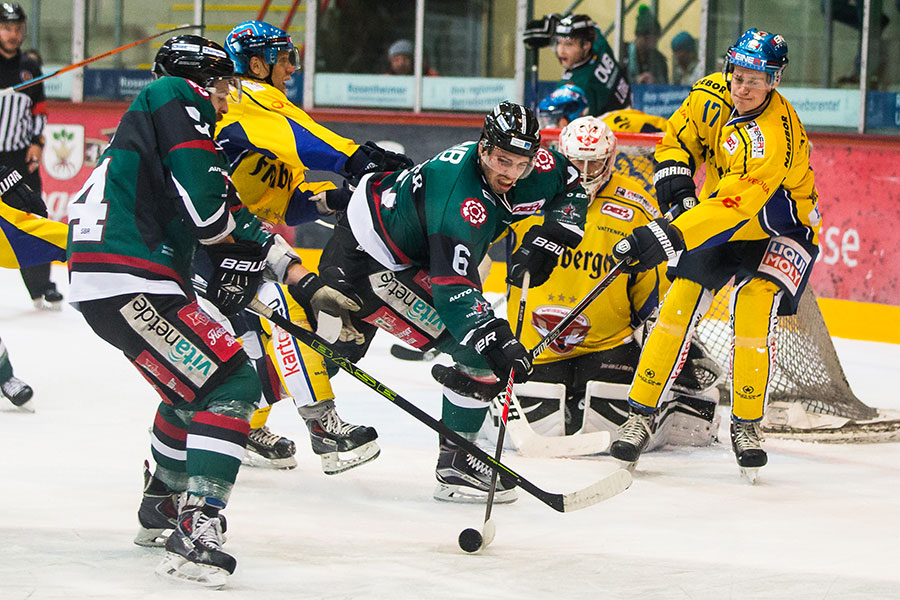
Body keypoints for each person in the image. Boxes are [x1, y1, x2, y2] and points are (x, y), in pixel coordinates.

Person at [66, 35, 361, 586]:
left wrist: (302, 278)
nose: (229, 96)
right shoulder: (175, 96)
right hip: (132, 272)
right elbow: (212, 220)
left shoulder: (170, 123)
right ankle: (197, 523)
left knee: (189, 387)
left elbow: (231, 215)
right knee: (232, 384)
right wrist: (251, 263)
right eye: (223, 84)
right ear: (200, 80)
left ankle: (161, 502)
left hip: (120, 272)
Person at [317, 101, 588, 503]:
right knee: (471, 348)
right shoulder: (458, 202)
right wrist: (496, 339)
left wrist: (555, 238)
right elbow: (453, 288)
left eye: (521, 164)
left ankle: (457, 456)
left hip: (411, 248)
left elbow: (571, 185)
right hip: (366, 262)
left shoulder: (535, 166)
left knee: (339, 350)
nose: (510, 174)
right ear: (483, 148)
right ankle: (457, 463)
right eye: (501, 160)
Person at [608, 29, 819, 482]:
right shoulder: (710, 93)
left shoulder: (774, 137)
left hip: (780, 226)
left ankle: (747, 425)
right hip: (719, 218)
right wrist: (678, 181)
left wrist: (668, 234)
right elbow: (678, 137)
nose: (741, 87)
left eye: (755, 80)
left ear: (775, 81)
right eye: (737, 75)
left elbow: (737, 206)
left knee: (751, 307)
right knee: (678, 303)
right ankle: (640, 415)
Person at [217, 20, 412, 473]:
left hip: (243, 241)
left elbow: (290, 202)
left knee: (260, 339)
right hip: (206, 243)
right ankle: (324, 427)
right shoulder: (246, 97)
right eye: (284, 57)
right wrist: (359, 160)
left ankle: (241, 424)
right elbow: (307, 142)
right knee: (287, 318)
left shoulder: (273, 108)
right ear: (258, 63)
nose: (291, 67)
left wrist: (341, 198)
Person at [506, 116, 721, 449]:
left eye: (595, 163)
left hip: (608, 344)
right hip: (535, 347)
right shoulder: (528, 195)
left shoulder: (635, 204)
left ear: (611, 159)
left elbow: (650, 289)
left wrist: (642, 330)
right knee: (542, 425)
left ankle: (672, 400)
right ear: (561, 156)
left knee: (606, 425)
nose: (586, 171)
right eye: (577, 162)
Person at [0, 3, 60, 310]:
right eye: (7, 28)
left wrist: (37, 142)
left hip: (19, 158)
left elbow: (39, 111)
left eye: (18, 28)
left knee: (34, 217)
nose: (13, 34)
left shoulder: (30, 68)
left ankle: (42, 285)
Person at [526, 14, 631, 117]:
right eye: (559, 42)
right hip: (627, 109)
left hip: (611, 129)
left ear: (586, 46)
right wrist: (561, 23)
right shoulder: (600, 44)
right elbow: (591, 26)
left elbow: (552, 116)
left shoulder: (577, 85)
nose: (561, 51)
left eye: (568, 44)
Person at [624, 4, 668, 84]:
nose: (653, 45)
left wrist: (655, 82)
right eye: (651, 40)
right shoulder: (622, 54)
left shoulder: (658, 59)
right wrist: (635, 81)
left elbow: (665, 86)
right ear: (640, 37)